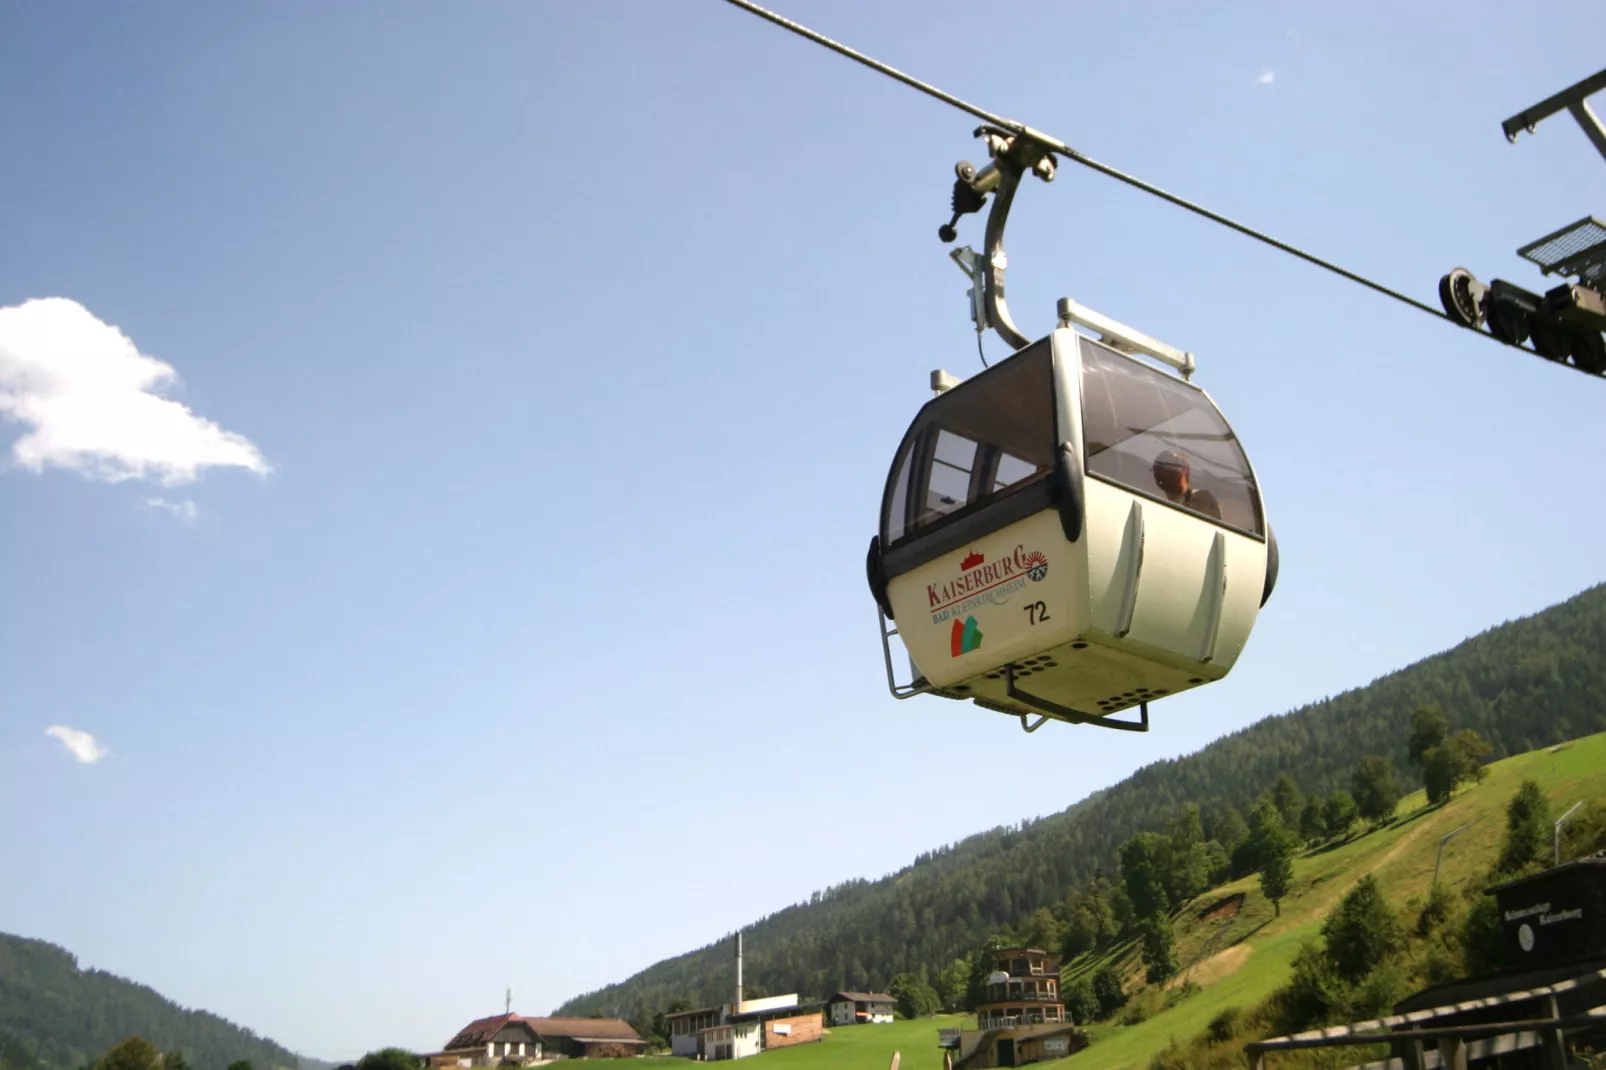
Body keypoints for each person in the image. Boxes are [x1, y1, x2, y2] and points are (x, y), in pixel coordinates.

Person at [1151, 449, 1222, 520]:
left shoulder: (1202, 499)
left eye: (1173, 465)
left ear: (1185, 469)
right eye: (1159, 470)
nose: (1166, 473)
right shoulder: (1153, 508)